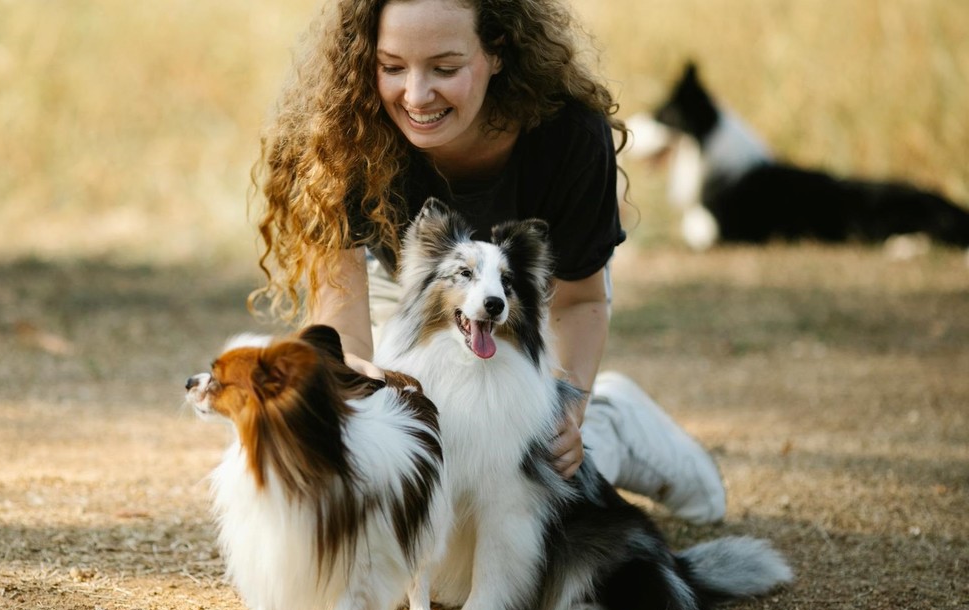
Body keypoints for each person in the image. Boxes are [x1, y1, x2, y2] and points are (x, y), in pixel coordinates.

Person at [250, 0, 725, 524]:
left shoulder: (570, 134)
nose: (416, 95)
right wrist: (352, 379)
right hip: (413, 285)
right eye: (391, 67)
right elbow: (339, 313)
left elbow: (579, 301)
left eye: (445, 68)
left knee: (532, 468)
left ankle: (615, 424)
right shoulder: (339, 132)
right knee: (418, 451)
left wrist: (567, 408)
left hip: (534, 297)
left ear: (498, 51)